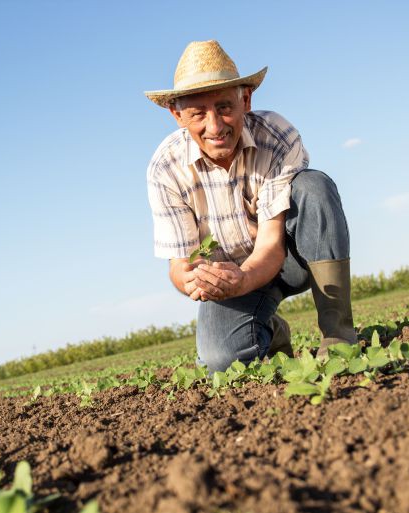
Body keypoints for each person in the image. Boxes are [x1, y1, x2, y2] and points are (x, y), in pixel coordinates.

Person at [144, 40, 356, 371]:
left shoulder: (276, 136)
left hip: (293, 257)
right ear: (177, 115)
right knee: (220, 360)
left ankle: (339, 336)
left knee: (313, 186)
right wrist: (191, 281)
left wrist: (244, 277)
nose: (215, 127)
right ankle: (272, 331)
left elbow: (271, 244)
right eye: (198, 113)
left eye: (225, 107)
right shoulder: (165, 168)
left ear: (246, 99)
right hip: (234, 277)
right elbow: (179, 264)